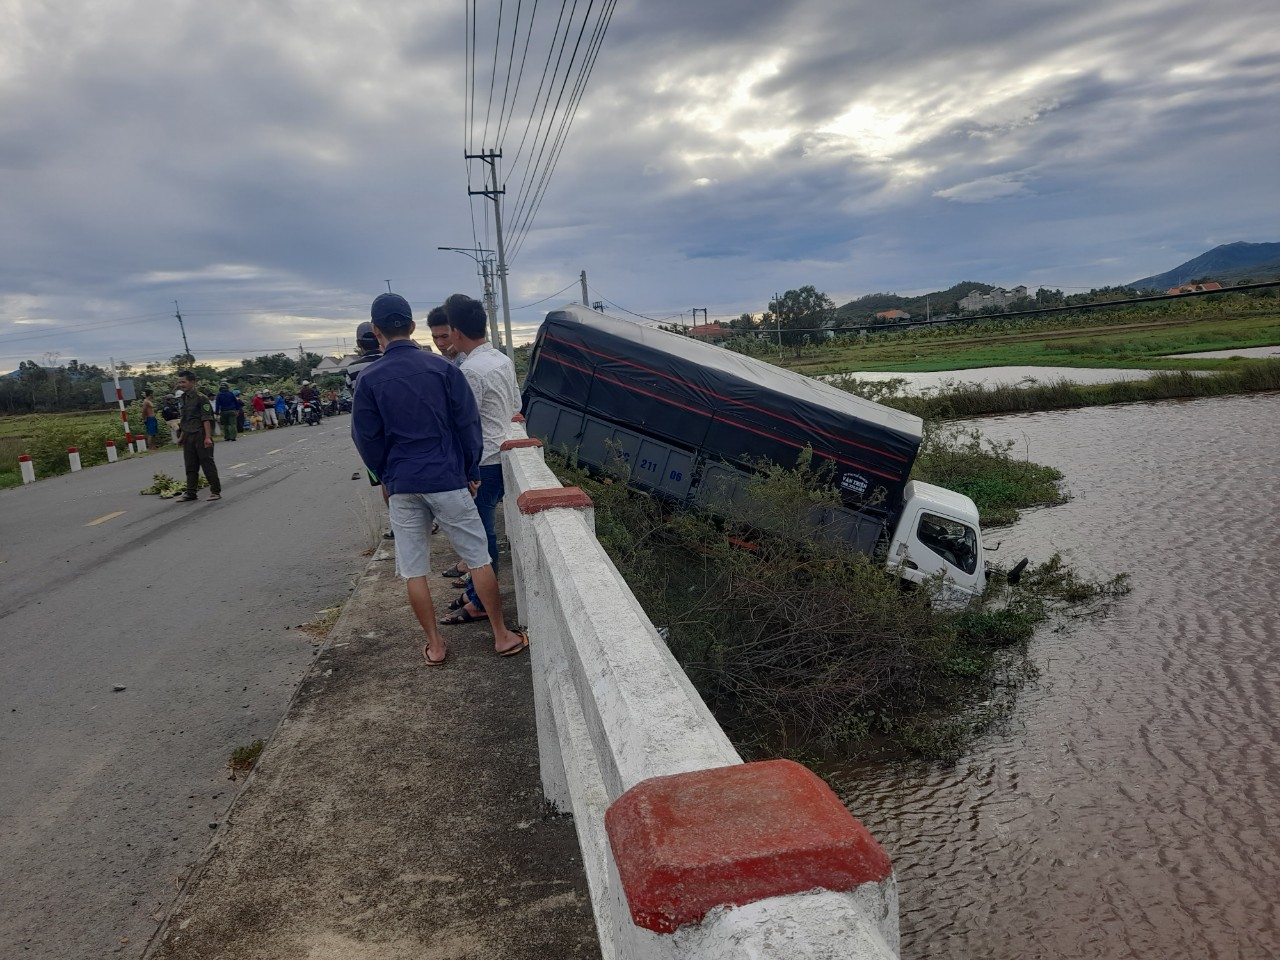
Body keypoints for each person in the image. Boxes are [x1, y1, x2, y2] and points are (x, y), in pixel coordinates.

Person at [351, 292, 527, 666]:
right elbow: (467, 425)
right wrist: (470, 470)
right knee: (478, 558)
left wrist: (385, 474)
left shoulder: (369, 379)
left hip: (402, 483)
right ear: (413, 327)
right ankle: (501, 635)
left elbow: (365, 437)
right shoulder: (444, 369)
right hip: (447, 477)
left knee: (413, 569)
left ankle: (435, 645)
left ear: (377, 331)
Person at [439, 293, 521, 624]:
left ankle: (480, 602)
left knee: (480, 536)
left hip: (482, 462)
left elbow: (463, 423)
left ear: (456, 331)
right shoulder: (502, 360)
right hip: (502, 454)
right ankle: (475, 593)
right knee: (483, 532)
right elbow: (515, 406)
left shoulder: (470, 371)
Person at [175, 370, 222, 502]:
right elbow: (186, 419)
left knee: (207, 463)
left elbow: (206, 418)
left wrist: (208, 437)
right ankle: (191, 492)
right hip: (188, 435)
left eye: (183, 382)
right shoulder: (183, 398)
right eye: (180, 382)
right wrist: (181, 437)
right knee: (190, 465)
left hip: (201, 434)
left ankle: (215, 491)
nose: (181, 385)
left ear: (192, 382)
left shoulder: (202, 398)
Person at [345, 321, 382, 391]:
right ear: (379, 339)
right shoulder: (393, 361)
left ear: (358, 343)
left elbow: (353, 394)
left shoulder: (352, 369)